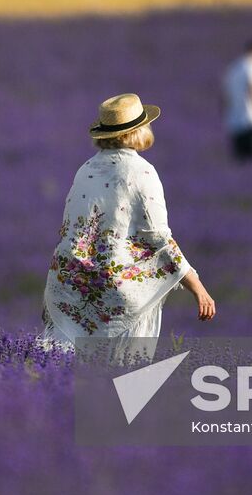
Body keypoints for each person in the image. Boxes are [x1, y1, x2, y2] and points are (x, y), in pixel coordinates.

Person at [39, 94, 216, 354]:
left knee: (66, 372)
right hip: (116, 296)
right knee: (119, 373)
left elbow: (70, 230)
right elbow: (159, 238)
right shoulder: (142, 172)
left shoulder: (86, 169)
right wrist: (197, 287)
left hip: (69, 288)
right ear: (137, 131)